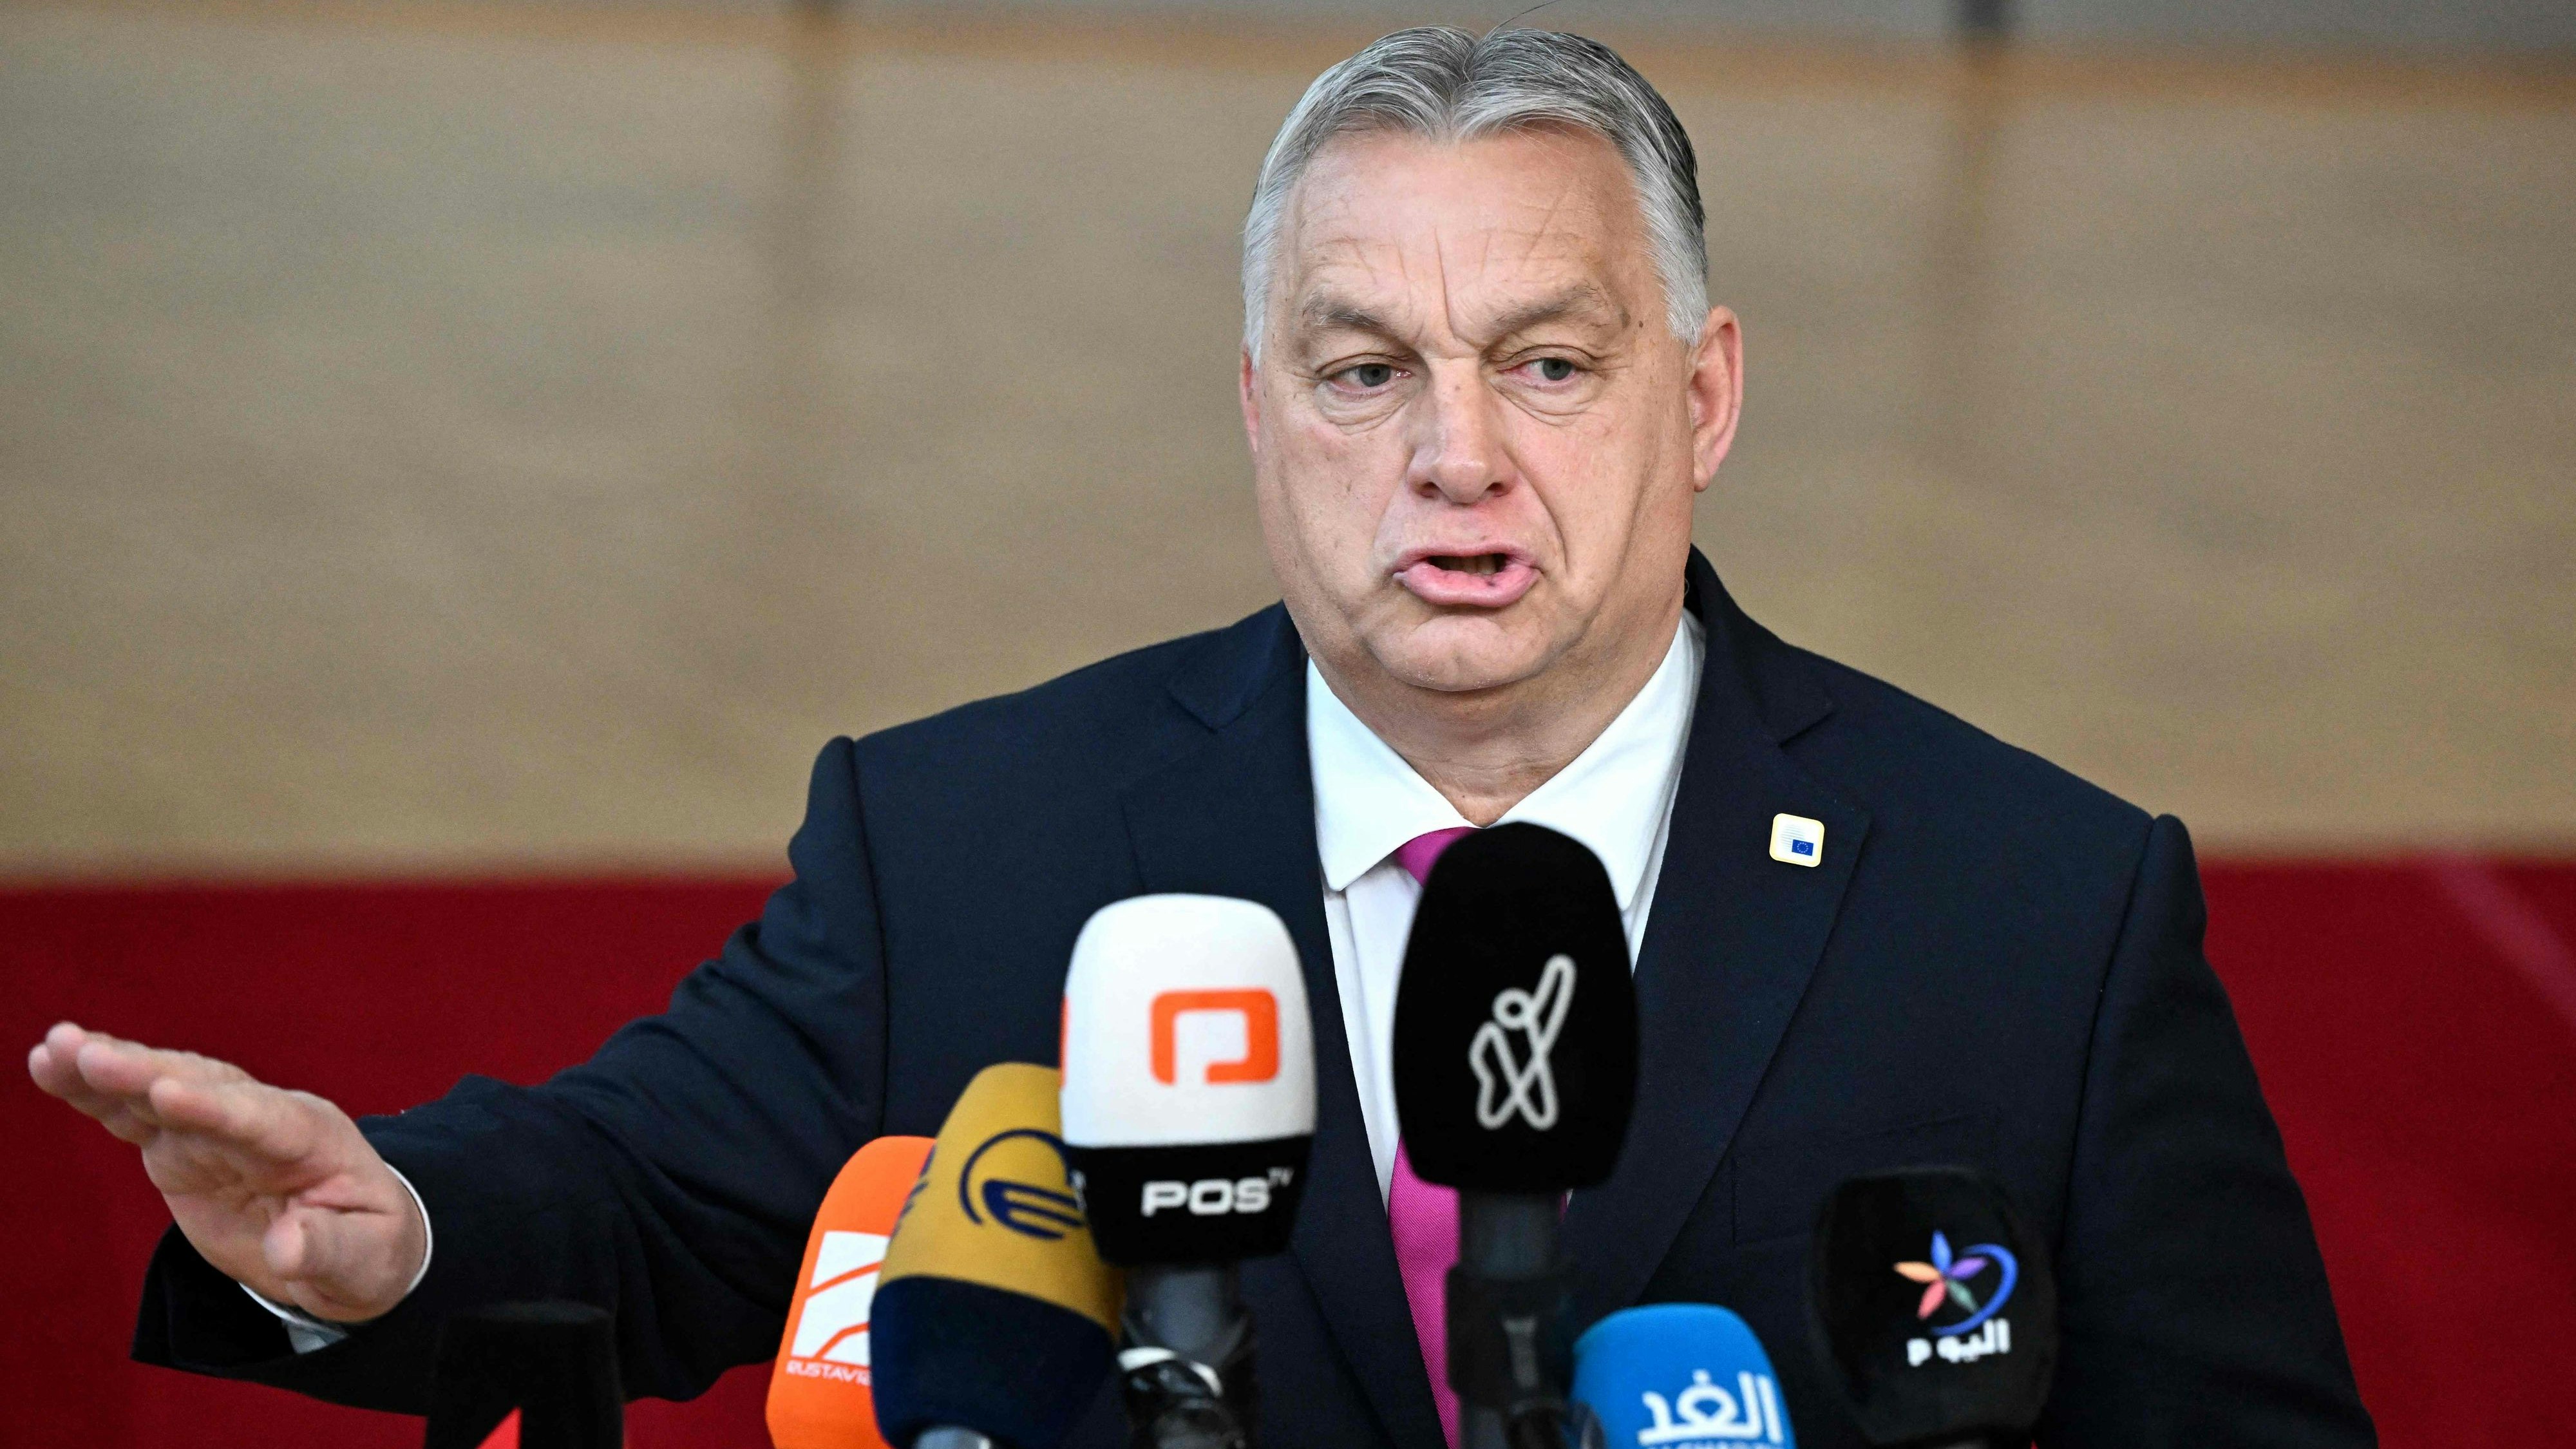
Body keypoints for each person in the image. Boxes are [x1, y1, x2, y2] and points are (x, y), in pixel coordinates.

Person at [26, 26, 2373, 1449]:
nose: (1455, 454)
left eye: (1547, 362)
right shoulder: (967, 839)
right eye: (1365, 371)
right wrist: (382, 1226)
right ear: (1261, 417)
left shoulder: (2041, 912)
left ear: (1706, 393)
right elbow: (650, 1195)